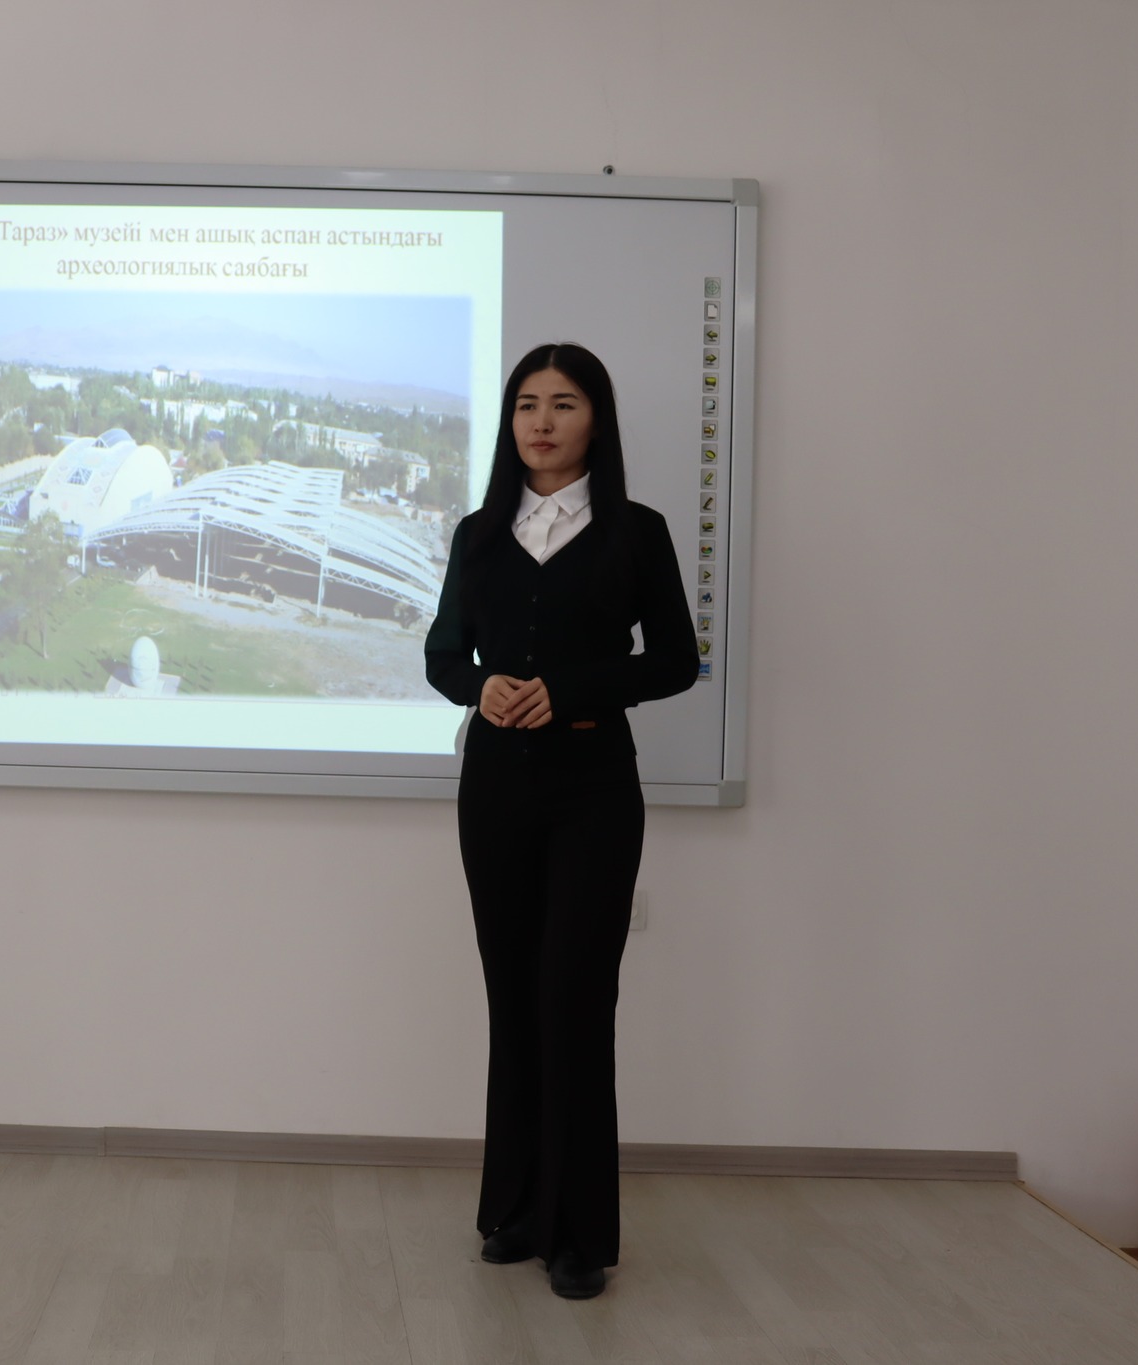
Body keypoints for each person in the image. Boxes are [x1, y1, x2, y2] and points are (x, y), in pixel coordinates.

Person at [423, 342, 698, 1299]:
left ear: (597, 420)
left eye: (564, 403)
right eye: (526, 404)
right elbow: (443, 654)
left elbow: (675, 659)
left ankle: (578, 1233)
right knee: (513, 998)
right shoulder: (478, 532)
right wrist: (481, 684)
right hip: (494, 788)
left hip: (593, 789)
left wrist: (570, 688)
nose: (541, 421)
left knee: (575, 998)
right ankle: (512, 1212)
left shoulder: (637, 531)